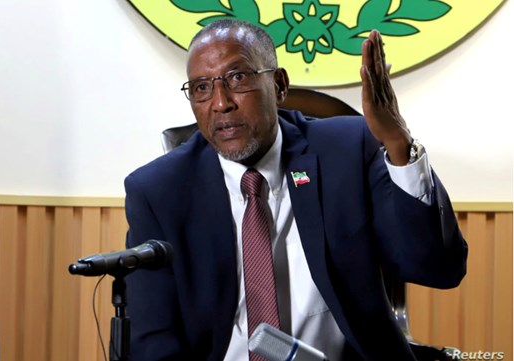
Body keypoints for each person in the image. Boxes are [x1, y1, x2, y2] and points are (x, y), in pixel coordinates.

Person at [123, 19, 467, 361]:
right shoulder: (159, 191)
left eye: (238, 78)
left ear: (279, 85)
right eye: (201, 88)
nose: (220, 103)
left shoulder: (346, 153)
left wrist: (397, 143)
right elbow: (153, 341)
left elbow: (438, 268)